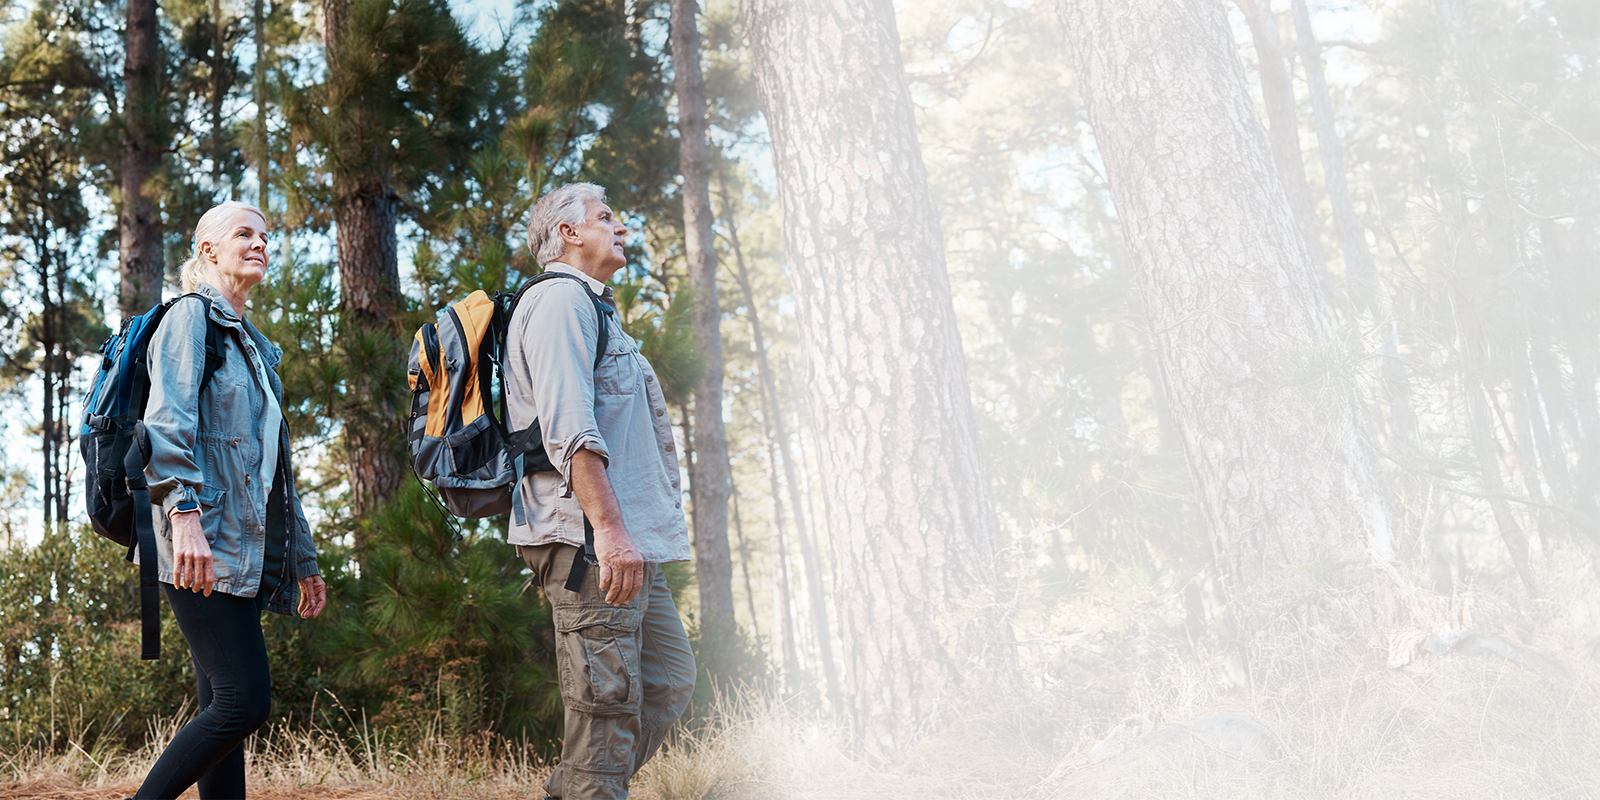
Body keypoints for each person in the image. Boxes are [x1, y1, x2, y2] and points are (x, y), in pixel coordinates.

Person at [506, 182, 696, 800]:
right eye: (606, 216)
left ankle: (580, 791)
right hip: (592, 537)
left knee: (668, 680)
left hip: (627, 536)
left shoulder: (597, 308)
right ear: (568, 233)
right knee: (607, 710)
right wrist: (610, 532)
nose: (622, 227)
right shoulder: (561, 301)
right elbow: (570, 429)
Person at [132, 201, 327, 800]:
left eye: (265, 236)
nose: (260, 243)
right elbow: (166, 426)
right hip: (198, 544)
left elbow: (273, 474)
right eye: (244, 233)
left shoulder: (256, 352)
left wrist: (303, 558)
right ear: (207, 251)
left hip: (234, 550)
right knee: (244, 701)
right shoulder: (191, 318)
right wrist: (184, 517)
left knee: (223, 708)